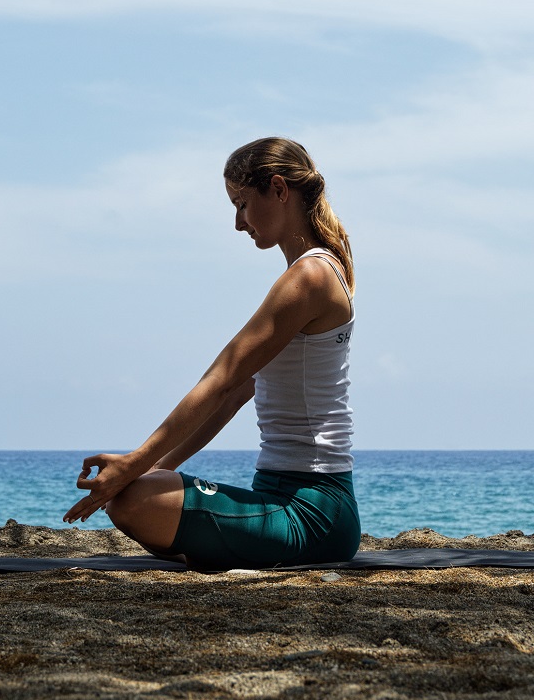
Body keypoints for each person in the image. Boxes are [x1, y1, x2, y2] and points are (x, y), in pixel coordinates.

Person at [63, 136, 360, 570]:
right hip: (280, 497)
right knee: (138, 492)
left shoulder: (311, 275)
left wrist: (133, 465)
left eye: (241, 203)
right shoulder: (313, 269)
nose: (239, 223)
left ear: (278, 190)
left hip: (316, 510)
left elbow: (221, 380)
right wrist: (152, 468)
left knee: (133, 502)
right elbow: (239, 390)